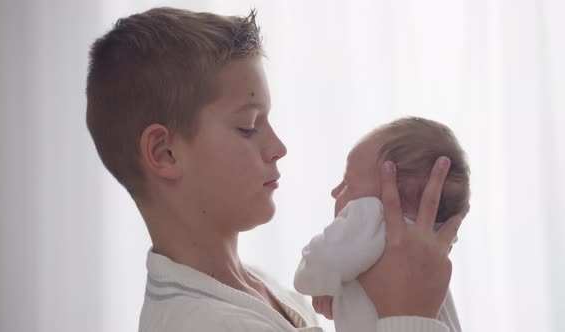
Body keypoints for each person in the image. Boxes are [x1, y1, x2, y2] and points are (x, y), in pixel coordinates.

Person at [85, 7, 468, 332]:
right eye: (248, 127)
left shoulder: (258, 286)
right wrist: (409, 312)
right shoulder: (202, 323)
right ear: (165, 153)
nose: (279, 148)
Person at [294, 117, 470, 332]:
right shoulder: (429, 245)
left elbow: (309, 272)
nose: (335, 192)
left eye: (347, 184)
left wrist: (321, 280)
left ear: (389, 199)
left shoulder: (370, 214)